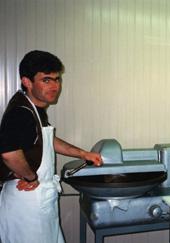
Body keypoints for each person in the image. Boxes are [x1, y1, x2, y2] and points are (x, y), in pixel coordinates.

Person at [0, 50, 103, 243]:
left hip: (39, 200)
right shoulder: (21, 113)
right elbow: (9, 154)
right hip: (27, 202)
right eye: (46, 80)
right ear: (27, 81)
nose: (55, 86)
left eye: (57, 79)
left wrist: (83, 154)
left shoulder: (35, 107)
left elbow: (47, 140)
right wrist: (30, 176)